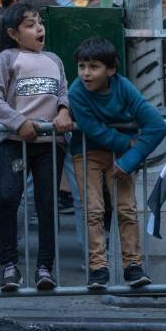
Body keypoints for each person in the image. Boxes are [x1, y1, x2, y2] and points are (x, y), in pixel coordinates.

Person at [0, 2, 73, 292]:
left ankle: (45, 267)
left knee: (47, 206)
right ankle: (9, 266)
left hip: (50, 145)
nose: (39, 29)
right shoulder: (6, 59)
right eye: (30, 24)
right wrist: (18, 122)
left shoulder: (54, 60)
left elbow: (63, 92)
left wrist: (63, 111)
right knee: (8, 200)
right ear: (13, 33)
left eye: (39, 22)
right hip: (13, 144)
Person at [69, 37, 166, 290]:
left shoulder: (123, 87)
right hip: (87, 152)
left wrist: (130, 159)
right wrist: (127, 144)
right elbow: (92, 129)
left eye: (93, 67)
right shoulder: (76, 91)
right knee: (93, 211)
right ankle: (98, 269)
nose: (86, 73)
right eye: (82, 66)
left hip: (120, 158)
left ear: (111, 69)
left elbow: (156, 125)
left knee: (127, 209)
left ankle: (133, 267)